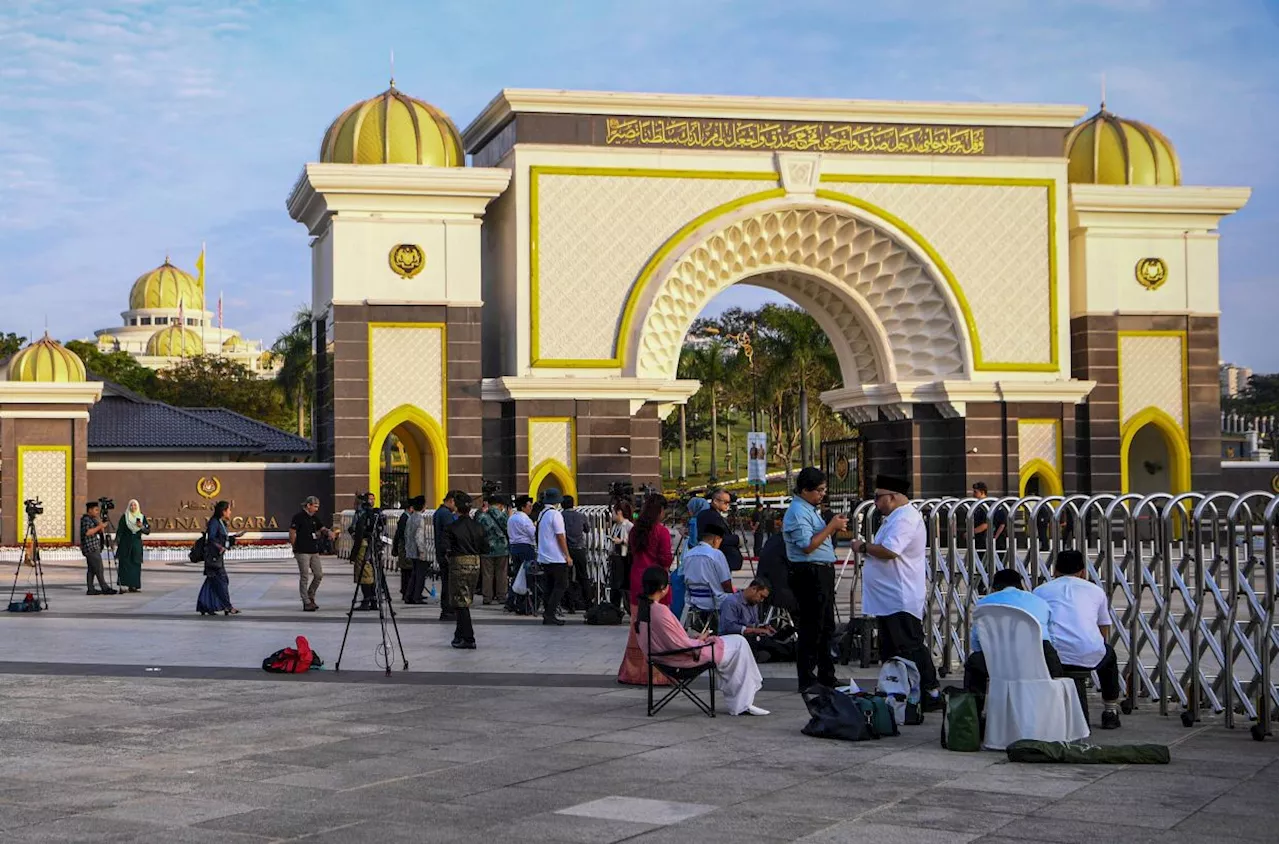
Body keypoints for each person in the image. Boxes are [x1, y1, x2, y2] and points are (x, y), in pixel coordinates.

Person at [850, 474, 941, 709]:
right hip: (887, 598)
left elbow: (890, 550)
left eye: (879, 497)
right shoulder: (894, 518)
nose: (876, 502)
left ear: (893, 497)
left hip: (900, 596)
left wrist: (862, 546)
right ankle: (902, 690)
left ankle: (930, 691)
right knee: (892, 649)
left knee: (909, 645)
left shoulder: (906, 519)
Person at [634, 565, 769, 716]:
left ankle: (741, 700)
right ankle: (742, 702)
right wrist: (701, 642)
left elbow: (674, 639)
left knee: (738, 646)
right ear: (662, 587)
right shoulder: (660, 611)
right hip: (682, 657)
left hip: (666, 655)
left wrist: (696, 639)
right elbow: (681, 644)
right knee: (740, 644)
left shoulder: (645, 608)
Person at [1034, 550, 1123, 729]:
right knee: (1109, 656)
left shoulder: (1040, 591)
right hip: (1089, 654)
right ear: (1083, 571)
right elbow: (1103, 626)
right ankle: (1110, 710)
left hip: (1052, 657)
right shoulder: (1096, 591)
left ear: (1055, 570)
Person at [782, 468, 848, 692]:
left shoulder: (810, 509)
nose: (822, 495)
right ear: (804, 490)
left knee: (826, 625)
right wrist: (831, 527)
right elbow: (808, 545)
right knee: (812, 626)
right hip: (809, 572)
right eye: (818, 490)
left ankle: (826, 674)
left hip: (822, 570)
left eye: (824, 490)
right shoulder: (797, 512)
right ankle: (808, 678)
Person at [964, 567, 1064, 693]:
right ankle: (1054, 703)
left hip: (999, 662)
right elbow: (1051, 637)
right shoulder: (1039, 602)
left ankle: (973, 709)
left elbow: (977, 641)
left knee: (974, 663)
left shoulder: (984, 603)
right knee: (1050, 654)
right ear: (1021, 585)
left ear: (994, 588)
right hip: (1038, 660)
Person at [617, 493, 674, 685]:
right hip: (656, 582)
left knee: (637, 627)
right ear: (659, 510)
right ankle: (656, 674)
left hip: (637, 579)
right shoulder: (661, 531)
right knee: (658, 628)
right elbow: (665, 558)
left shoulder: (635, 531)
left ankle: (633, 672)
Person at [443, 492, 489, 649]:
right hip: (475, 562)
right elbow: (485, 547)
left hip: (459, 562)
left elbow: (446, 548)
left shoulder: (452, 527)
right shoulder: (478, 526)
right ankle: (459, 634)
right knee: (465, 598)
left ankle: (468, 637)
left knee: (460, 602)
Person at [719, 577, 792, 663]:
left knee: (775, 642)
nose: (761, 600)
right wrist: (756, 630)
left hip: (751, 637)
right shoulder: (731, 602)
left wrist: (763, 628)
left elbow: (753, 624)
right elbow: (729, 627)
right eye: (761, 596)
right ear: (754, 589)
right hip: (736, 640)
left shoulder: (753, 604)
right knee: (770, 645)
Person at [681, 521, 734, 626]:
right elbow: (726, 583)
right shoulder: (716, 554)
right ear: (716, 539)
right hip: (714, 601)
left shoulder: (688, 554)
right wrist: (732, 594)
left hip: (694, 599)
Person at [536, 488, 571, 626]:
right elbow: (560, 536)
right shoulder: (555, 515)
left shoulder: (542, 514)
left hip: (544, 556)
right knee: (562, 585)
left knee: (549, 586)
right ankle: (550, 613)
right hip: (556, 556)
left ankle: (547, 613)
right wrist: (567, 555)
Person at [197, 500, 239, 615]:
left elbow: (222, 538)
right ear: (223, 511)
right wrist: (219, 546)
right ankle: (228, 607)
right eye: (229, 510)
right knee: (222, 581)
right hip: (213, 558)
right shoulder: (214, 522)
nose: (230, 512)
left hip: (218, 557)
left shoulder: (221, 522)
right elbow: (211, 539)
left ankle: (204, 606)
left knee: (212, 582)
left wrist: (233, 538)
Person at [289, 495, 329, 611]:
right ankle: (306, 601)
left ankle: (311, 594)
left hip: (313, 550)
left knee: (318, 574)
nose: (316, 509)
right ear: (308, 505)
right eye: (315, 506)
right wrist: (294, 547)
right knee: (305, 576)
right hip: (302, 551)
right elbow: (292, 532)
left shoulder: (314, 518)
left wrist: (329, 532)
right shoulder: (298, 517)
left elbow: (322, 528)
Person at [696, 488, 743, 572]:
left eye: (729, 502)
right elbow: (716, 538)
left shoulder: (712, 515)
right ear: (715, 501)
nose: (727, 505)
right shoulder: (711, 516)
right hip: (719, 558)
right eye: (725, 502)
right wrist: (736, 539)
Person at [506, 495, 537, 614]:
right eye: (529, 506)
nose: (531, 508)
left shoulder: (512, 518)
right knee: (526, 576)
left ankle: (511, 601)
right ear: (523, 507)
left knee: (516, 575)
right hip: (525, 548)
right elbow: (533, 534)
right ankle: (523, 602)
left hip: (514, 547)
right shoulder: (525, 520)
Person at [476, 495, 510, 605]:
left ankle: (487, 597)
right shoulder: (503, 515)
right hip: (502, 548)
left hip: (486, 548)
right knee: (502, 573)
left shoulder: (482, 515)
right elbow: (508, 528)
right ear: (500, 504)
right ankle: (501, 596)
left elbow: (478, 529)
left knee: (487, 574)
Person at [79, 500, 116, 596]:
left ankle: (90, 589)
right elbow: (88, 532)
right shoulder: (86, 519)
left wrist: (101, 523)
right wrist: (99, 526)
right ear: (90, 510)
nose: (97, 512)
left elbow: (101, 530)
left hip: (95, 546)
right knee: (99, 568)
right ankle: (105, 588)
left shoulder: (93, 519)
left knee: (92, 569)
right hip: (90, 548)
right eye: (95, 510)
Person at [560, 495, 589, 612]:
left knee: (567, 577)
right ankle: (588, 602)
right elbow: (587, 529)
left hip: (567, 550)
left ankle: (570, 605)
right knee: (583, 576)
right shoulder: (581, 516)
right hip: (580, 549)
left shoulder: (560, 516)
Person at [115, 499, 150, 593]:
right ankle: (124, 585)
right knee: (125, 564)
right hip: (125, 544)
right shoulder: (125, 517)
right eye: (131, 505)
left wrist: (141, 526)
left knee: (135, 564)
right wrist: (116, 542)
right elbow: (120, 531)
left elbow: (147, 531)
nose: (133, 507)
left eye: (135, 505)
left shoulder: (142, 517)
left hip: (136, 544)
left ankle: (133, 585)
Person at [433, 491, 459, 621]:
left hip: (441, 552)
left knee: (446, 582)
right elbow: (451, 533)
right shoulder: (446, 514)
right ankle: (448, 609)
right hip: (446, 554)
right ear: (451, 501)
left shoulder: (439, 512)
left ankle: (446, 608)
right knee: (449, 583)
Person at [403, 496, 431, 604]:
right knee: (420, 575)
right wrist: (422, 551)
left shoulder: (410, 517)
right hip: (418, 551)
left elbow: (407, 534)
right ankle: (417, 596)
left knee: (414, 574)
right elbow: (419, 537)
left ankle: (409, 595)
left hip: (410, 550)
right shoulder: (420, 519)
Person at [607, 502, 633, 611]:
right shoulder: (615, 526)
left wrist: (622, 541)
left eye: (613, 512)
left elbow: (633, 542)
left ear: (619, 512)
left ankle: (627, 607)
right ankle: (615, 608)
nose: (612, 515)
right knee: (614, 585)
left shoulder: (629, 526)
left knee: (621, 584)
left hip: (624, 559)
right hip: (615, 557)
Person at [971, 482, 1007, 554]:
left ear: (982, 492)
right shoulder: (978, 505)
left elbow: (986, 525)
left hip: (986, 541)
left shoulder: (987, 505)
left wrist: (971, 532)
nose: (973, 494)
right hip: (982, 541)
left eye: (975, 492)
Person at [393, 498, 415, 601]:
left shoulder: (405, 517)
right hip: (405, 548)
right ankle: (407, 592)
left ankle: (406, 591)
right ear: (410, 508)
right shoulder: (405, 518)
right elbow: (399, 534)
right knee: (407, 571)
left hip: (404, 548)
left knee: (407, 571)